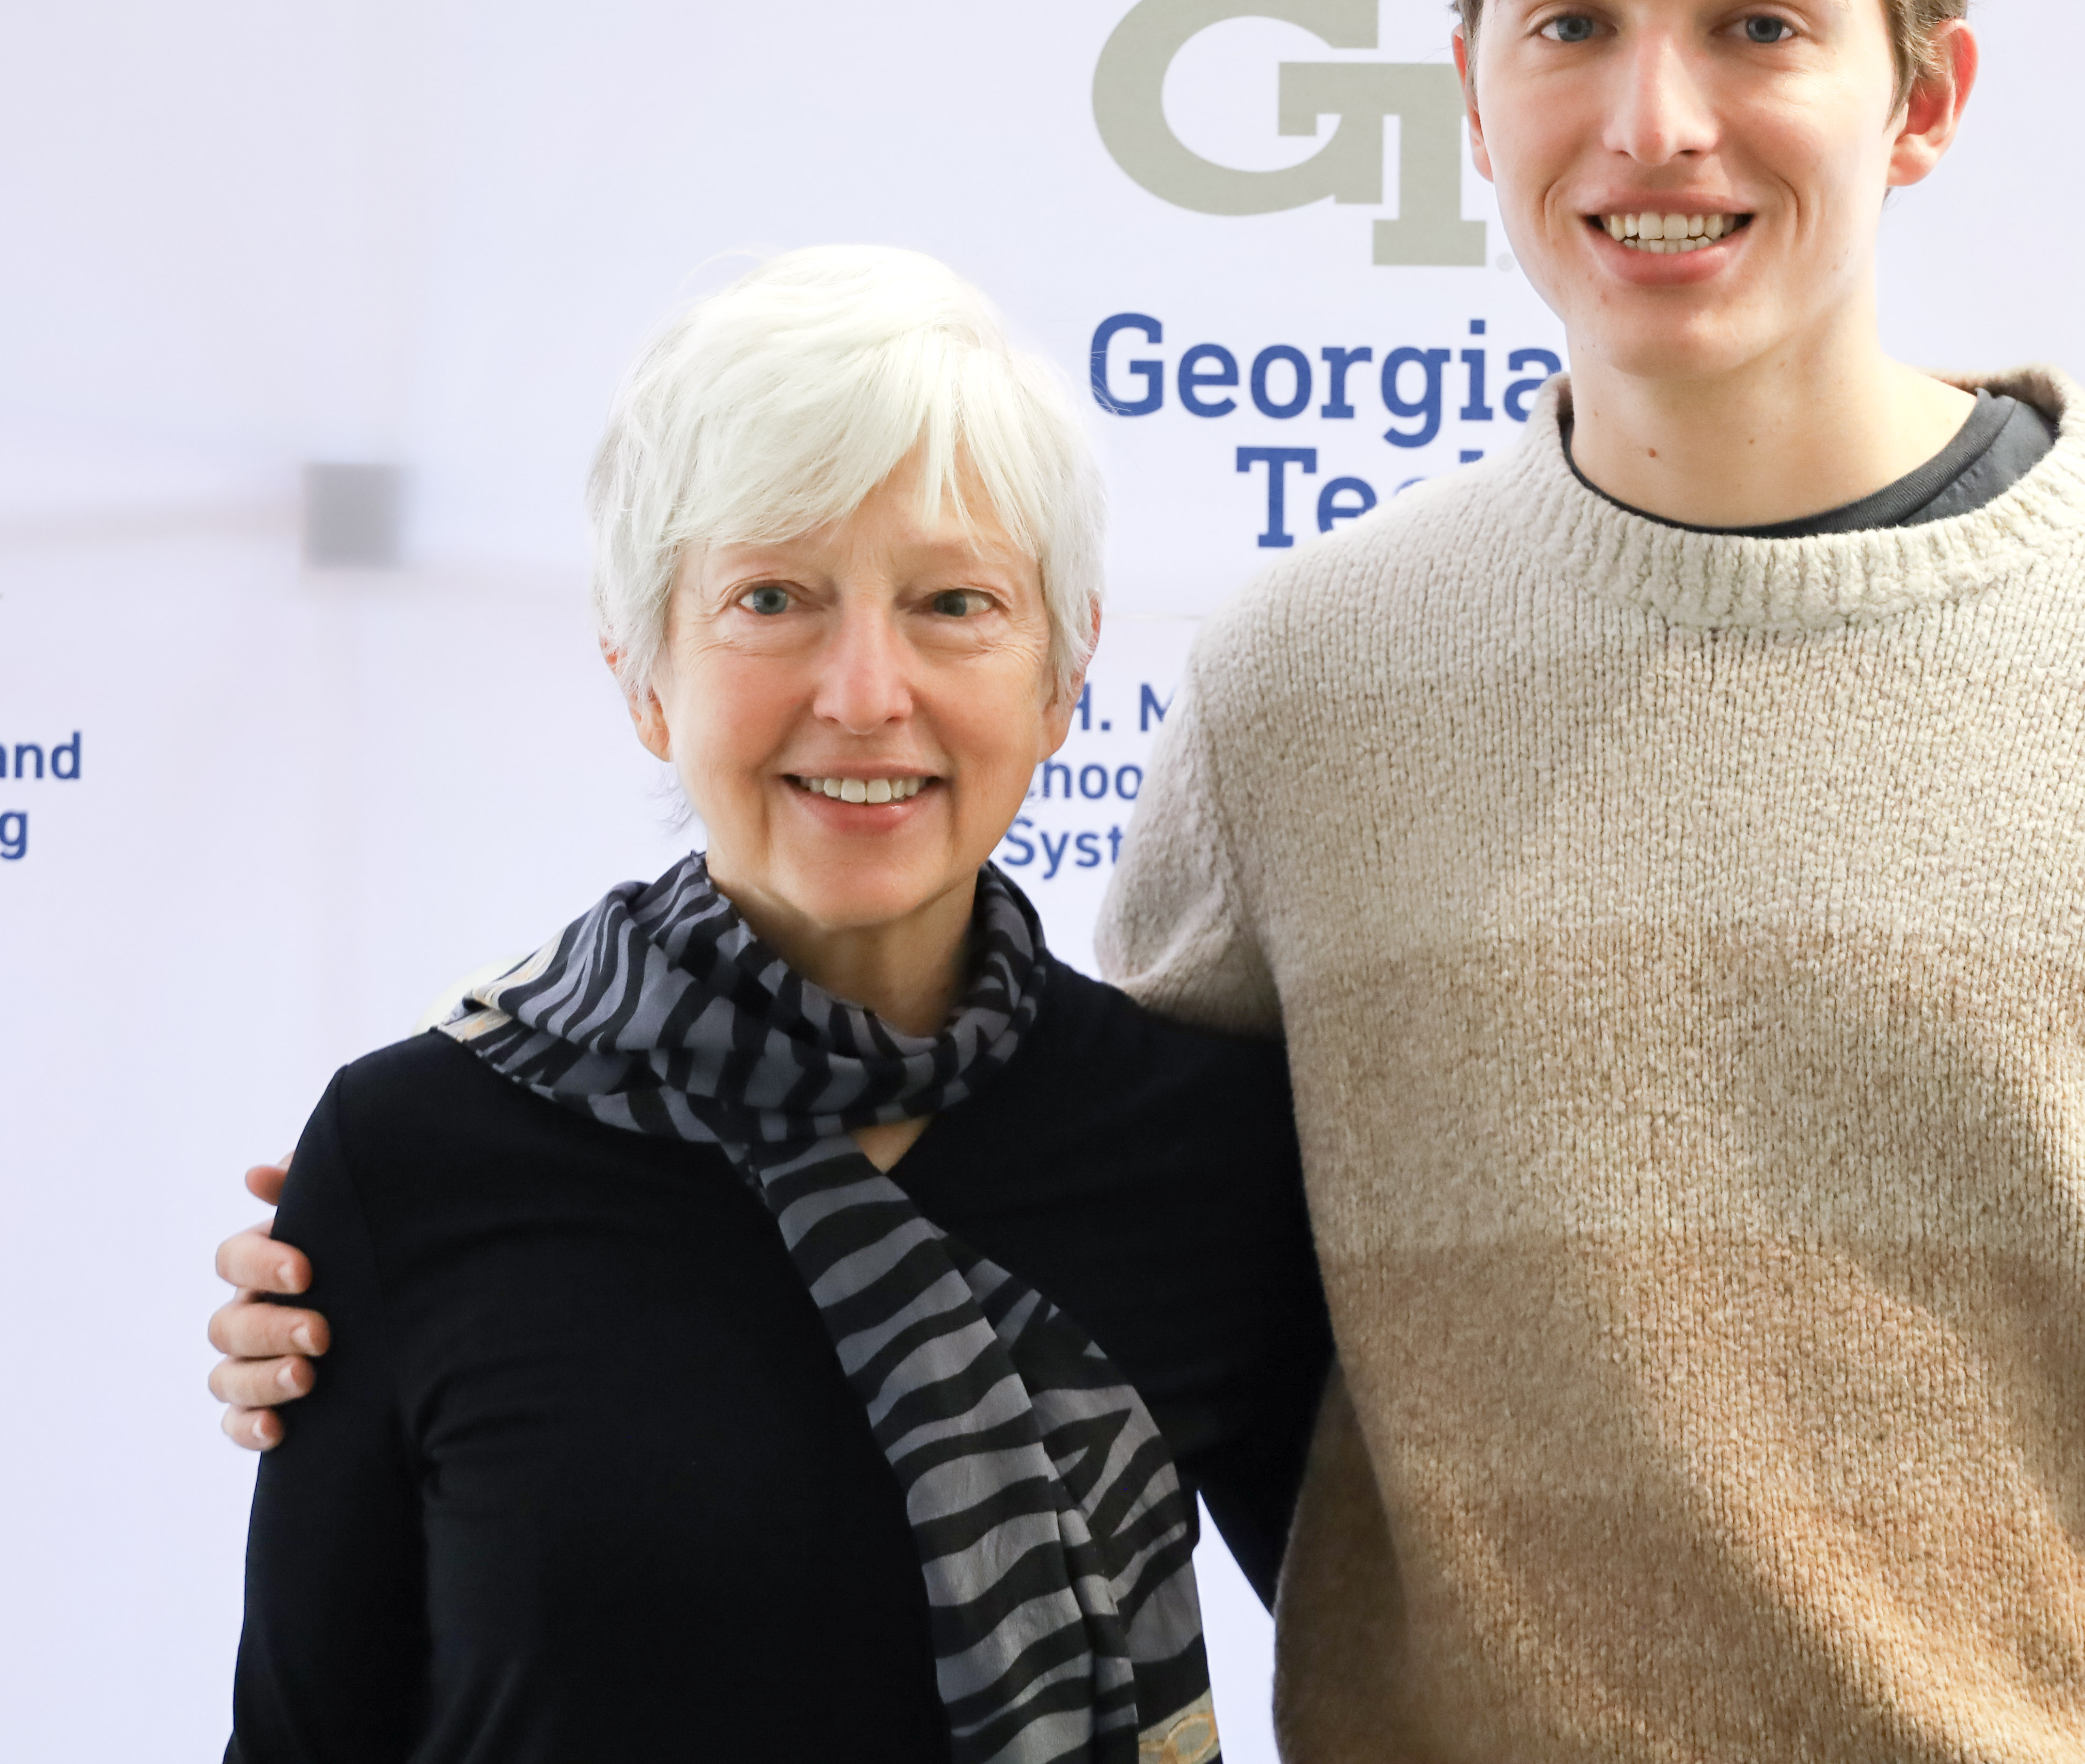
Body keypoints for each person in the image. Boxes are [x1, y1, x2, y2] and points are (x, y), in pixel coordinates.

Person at [220, 0, 2085, 1759]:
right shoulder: (1307, 698)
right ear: (1471, 92)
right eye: (1572, 18)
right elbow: (998, 1216)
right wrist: (387, 1291)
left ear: (1925, 94)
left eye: (1760, 21)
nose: (1655, 115)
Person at [224, 247, 1325, 1764]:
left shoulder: (1205, 1152)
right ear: (644, 672)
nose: (866, 691)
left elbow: (1404, 1656)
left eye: (954, 602)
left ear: (1063, 677)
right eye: (771, 598)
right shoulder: (413, 1149)